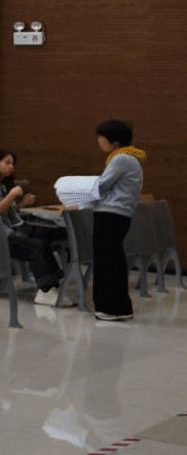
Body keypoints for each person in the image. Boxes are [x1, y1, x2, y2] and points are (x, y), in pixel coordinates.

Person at [0, 149, 62, 296]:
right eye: (7, 163)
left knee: (43, 239)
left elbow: (7, 212)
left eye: (13, 164)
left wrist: (22, 204)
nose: (11, 167)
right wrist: (12, 195)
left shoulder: (0, 185)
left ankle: (53, 286)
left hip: (4, 231)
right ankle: (46, 290)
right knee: (36, 247)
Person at [91, 120, 145, 322]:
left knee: (106, 261)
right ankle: (120, 306)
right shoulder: (128, 158)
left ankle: (110, 308)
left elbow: (101, 186)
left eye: (101, 138)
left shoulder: (121, 158)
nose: (99, 141)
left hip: (111, 214)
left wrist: (73, 195)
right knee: (113, 259)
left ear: (114, 141)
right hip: (118, 215)